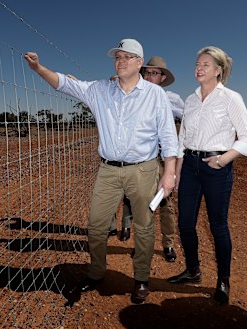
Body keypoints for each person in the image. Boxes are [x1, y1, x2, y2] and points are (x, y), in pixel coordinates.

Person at [24, 38, 179, 304]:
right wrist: (39, 68)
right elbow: (64, 83)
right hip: (108, 171)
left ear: (140, 63)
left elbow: (168, 135)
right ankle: (96, 272)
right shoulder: (100, 90)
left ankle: (141, 279)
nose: (120, 61)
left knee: (143, 226)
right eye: (117, 57)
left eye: (127, 57)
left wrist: (169, 173)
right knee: (96, 225)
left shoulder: (156, 95)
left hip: (142, 170)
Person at [167, 46, 247, 305]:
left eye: (205, 64)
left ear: (218, 71)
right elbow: (183, 139)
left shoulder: (231, 98)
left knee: (218, 226)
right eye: (197, 63)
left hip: (217, 167)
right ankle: (193, 270)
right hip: (190, 167)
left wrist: (225, 158)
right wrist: (177, 173)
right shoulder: (191, 100)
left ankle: (223, 280)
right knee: (185, 223)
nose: (199, 68)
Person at [109, 56, 184, 263]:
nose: (151, 76)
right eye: (148, 72)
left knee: (165, 203)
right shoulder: (134, 94)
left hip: (162, 161)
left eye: (156, 73)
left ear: (162, 78)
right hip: (140, 159)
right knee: (138, 201)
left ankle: (168, 244)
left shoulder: (171, 99)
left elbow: (189, 118)